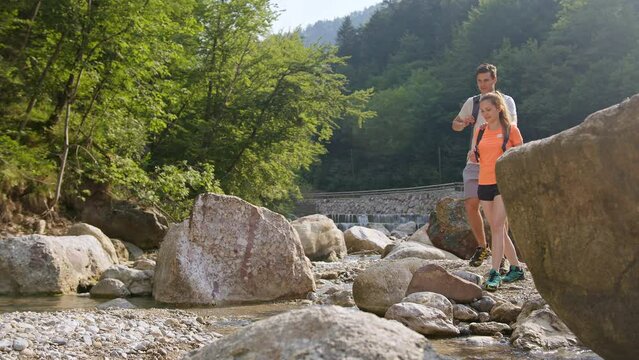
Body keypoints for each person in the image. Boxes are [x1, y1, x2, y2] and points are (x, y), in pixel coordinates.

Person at [451, 64, 517, 269]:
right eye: (479, 81)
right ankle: (482, 247)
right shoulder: (473, 102)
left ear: (494, 80)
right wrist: (463, 123)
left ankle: (503, 258)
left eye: (486, 80)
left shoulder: (506, 101)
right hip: (475, 160)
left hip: (497, 161)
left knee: (498, 214)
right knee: (471, 203)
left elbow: (512, 125)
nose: (483, 85)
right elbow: (455, 124)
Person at [472, 92, 525, 291]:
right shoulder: (480, 131)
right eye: (483, 111)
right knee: (498, 229)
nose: (486, 114)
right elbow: (480, 157)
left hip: (503, 184)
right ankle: (516, 268)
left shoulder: (511, 130)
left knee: (496, 225)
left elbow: (520, 158)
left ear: (499, 108)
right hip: (484, 183)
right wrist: (473, 154)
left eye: (489, 110)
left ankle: (494, 272)